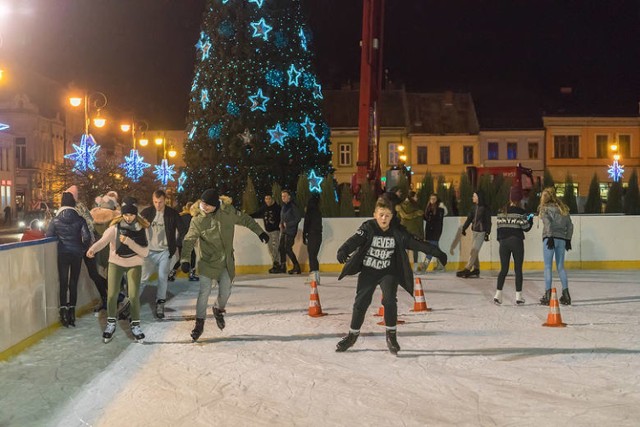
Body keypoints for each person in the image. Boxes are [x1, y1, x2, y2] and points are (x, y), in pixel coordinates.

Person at [335, 197, 448, 355]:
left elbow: (416, 243)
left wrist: (436, 252)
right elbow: (355, 240)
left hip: (389, 272)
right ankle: (352, 336)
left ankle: (391, 337)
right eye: (381, 214)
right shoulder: (368, 228)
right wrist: (343, 250)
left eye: (387, 215)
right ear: (375, 214)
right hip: (369, 270)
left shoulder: (397, 232)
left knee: (389, 300)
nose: (384, 218)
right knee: (361, 302)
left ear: (392, 216)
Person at [180, 189, 269, 341]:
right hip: (207, 261)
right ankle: (199, 324)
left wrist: (260, 232)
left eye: (208, 205)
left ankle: (217, 308)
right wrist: (185, 260)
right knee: (204, 292)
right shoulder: (197, 220)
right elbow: (188, 241)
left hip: (226, 260)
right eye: (203, 203)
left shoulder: (228, 212)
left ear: (216, 205)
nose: (204, 207)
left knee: (226, 291)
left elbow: (246, 220)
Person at [87, 199, 149, 343]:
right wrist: (93, 249)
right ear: (122, 214)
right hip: (116, 262)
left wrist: (128, 242)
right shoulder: (114, 228)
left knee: (133, 296)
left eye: (131, 215)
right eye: (126, 214)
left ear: (136, 215)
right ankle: (111, 323)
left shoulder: (142, 229)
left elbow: (145, 252)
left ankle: (136, 325)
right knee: (112, 295)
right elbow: (103, 241)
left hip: (134, 263)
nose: (128, 217)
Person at [46, 191, 92, 327]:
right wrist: (82, 249)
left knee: (63, 282)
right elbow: (87, 237)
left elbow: (49, 236)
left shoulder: (55, 220)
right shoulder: (80, 219)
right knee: (73, 282)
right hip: (76, 254)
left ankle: (63, 313)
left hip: (63, 253)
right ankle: (72, 312)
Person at [140, 189, 184, 319]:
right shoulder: (146, 213)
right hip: (149, 251)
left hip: (165, 251)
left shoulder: (173, 214)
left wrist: (176, 244)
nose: (158, 205)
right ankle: (131, 302)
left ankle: (160, 303)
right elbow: (136, 228)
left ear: (165, 200)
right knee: (142, 278)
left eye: (160, 202)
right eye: (155, 202)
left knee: (162, 277)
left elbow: (183, 230)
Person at [66, 185, 109, 313]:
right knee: (93, 274)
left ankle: (111, 294)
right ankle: (109, 295)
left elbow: (88, 224)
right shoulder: (78, 206)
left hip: (85, 245)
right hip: (85, 244)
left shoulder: (76, 207)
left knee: (93, 274)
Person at [493, 187, 533, 305]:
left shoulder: (501, 211)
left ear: (510, 197)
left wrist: (501, 241)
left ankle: (498, 295)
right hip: (516, 241)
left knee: (503, 269)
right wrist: (530, 219)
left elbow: (499, 228)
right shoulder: (520, 212)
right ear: (519, 199)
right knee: (518, 269)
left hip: (504, 242)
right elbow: (526, 228)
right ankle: (518, 297)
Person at [538, 187, 574, 306]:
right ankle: (566, 295)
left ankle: (548, 296)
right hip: (562, 240)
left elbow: (547, 223)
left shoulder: (544, 209)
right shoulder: (562, 208)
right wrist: (568, 239)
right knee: (560, 267)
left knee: (548, 267)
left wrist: (549, 236)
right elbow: (570, 225)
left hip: (550, 239)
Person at [456, 190, 491, 278]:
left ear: (478, 197)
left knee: (474, 251)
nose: (473, 197)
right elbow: (469, 219)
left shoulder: (485, 208)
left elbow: (488, 222)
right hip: (474, 232)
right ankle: (476, 269)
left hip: (481, 232)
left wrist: (487, 233)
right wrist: (464, 228)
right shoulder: (473, 208)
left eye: (474, 196)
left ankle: (468, 268)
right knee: (474, 251)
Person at [251, 194, 282, 274]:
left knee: (275, 247)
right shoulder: (264, 208)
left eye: (269, 198)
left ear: (272, 199)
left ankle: (278, 264)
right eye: (266, 198)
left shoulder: (277, 208)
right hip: (268, 231)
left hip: (275, 230)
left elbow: (282, 216)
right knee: (271, 248)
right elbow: (257, 213)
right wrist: (247, 216)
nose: (267, 200)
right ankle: (275, 263)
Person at [168, 202, 199, 282]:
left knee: (182, 258)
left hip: (180, 241)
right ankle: (192, 274)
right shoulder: (192, 218)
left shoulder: (180, 216)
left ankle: (171, 274)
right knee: (193, 257)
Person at [396, 190, 424, 273]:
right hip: (414, 231)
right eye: (415, 196)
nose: (417, 198)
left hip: (404, 231)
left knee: (405, 250)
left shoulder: (400, 206)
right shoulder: (417, 208)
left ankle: (405, 267)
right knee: (415, 250)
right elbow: (420, 222)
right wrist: (421, 234)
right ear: (411, 197)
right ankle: (415, 267)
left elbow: (398, 219)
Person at [277, 189, 302, 274]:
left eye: (284, 196)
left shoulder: (293, 206)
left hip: (291, 231)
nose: (283, 198)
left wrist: (288, 224)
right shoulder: (284, 206)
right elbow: (282, 217)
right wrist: (280, 223)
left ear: (289, 197)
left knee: (287, 248)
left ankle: (296, 266)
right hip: (284, 230)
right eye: (282, 196)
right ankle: (283, 266)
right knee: (281, 248)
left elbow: (298, 218)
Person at [423, 193, 446, 272]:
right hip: (429, 232)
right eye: (431, 199)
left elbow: (438, 223)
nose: (432, 200)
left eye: (434, 199)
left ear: (437, 200)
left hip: (435, 233)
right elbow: (426, 219)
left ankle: (424, 266)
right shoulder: (428, 209)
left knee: (431, 250)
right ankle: (441, 265)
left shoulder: (440, 210)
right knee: (435, 249)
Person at [303, 194, 322, 284]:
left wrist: (304, 235)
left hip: (312, 235)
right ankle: (316, 277)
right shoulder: (318, 212)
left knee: (312, 256)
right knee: (314, 256)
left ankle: (313, 277)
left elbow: (306, 224)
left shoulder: (309, 212)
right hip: (318, 236)